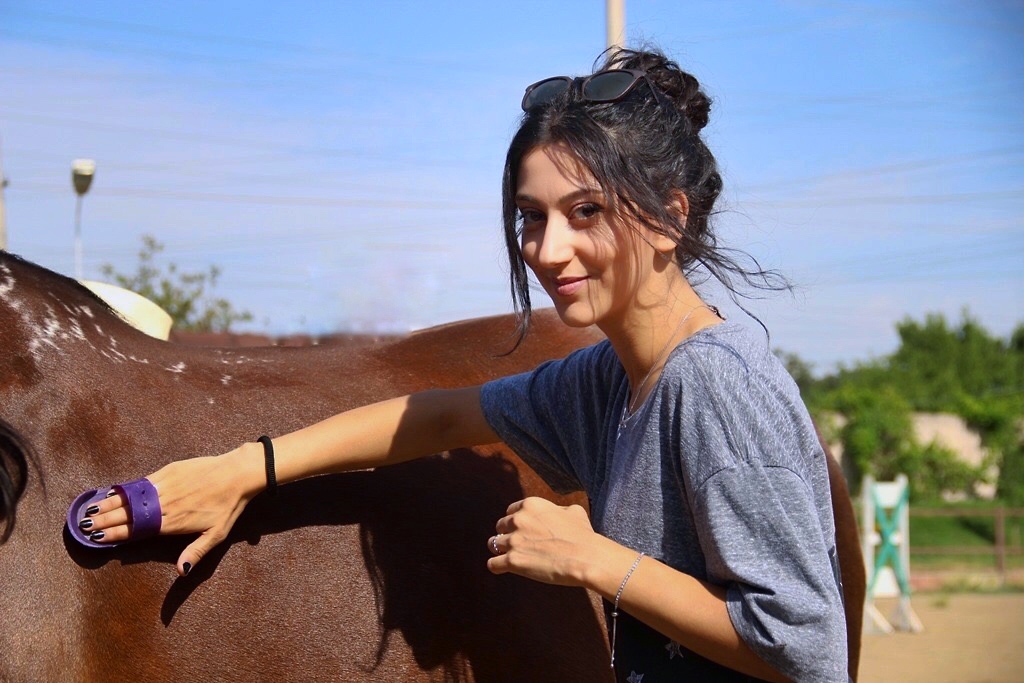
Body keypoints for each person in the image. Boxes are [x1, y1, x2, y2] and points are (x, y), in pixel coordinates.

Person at [81, 47, 848, 682]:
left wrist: (594, 560)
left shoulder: (714, 383)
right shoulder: (608, 381)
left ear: (669, 217)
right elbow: (442, 415)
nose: (548, 250)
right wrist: (245, 470)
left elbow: (806, 649)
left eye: (585, 211)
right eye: (531, 216)